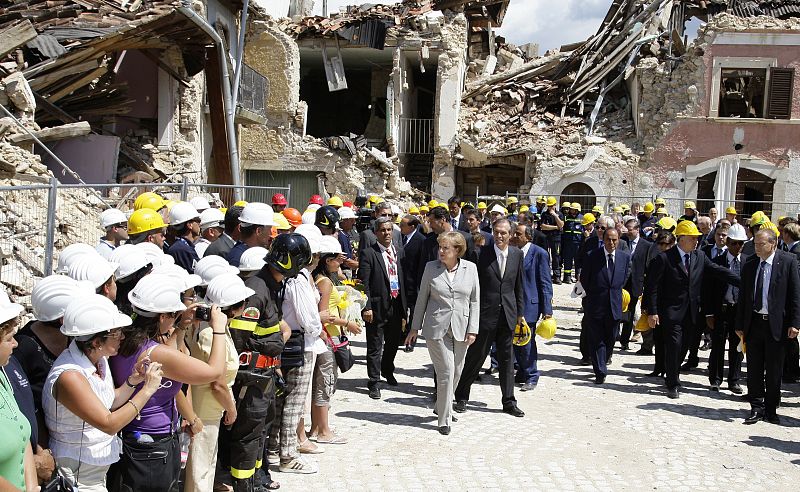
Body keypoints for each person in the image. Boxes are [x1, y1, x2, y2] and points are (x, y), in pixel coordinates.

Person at [109, 273, 228, 492]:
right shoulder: (156, 352)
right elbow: (214, 371)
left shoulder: (126, 339)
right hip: (154, 447)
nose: (175, 319)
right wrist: (219, 328)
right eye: (174, 314)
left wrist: (181, 326)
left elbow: (170, 365)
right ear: (162, 316)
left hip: (136, 440)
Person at [43, 294, 163, 491]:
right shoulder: (70, 376)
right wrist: (147, 390)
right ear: (97, 341)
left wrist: (134, 380)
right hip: (77, 473)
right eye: (117, 333)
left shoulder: (99, 360)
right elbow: (109, 424)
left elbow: (109, 402)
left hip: (92, 471)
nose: (122, 337)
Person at [223, 234, 297, 490]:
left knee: (259, 431)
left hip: (264, 374)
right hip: (251, 377)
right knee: (248, 434)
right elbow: (237, 339)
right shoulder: (258, 290)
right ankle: (244, 485)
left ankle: (255, 480)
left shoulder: (270, 286)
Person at [643, 221, 739, 399]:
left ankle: (672, 371)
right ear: (682, 239)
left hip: (692, 312)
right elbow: (652, 287)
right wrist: (652, 311)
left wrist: (743, 282)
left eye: (697, 238)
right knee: (674, 345)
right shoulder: (665, 258)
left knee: (684, 346)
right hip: (671, 312)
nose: (696, 241)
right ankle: (672, 383)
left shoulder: (699, 256)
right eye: (693, 238)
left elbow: (717, 270)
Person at [405, 232, 478, 435]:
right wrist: (414, 327)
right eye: (440, 247)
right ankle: (444, 419)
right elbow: (422, 298)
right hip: (436, 327)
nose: (441, 251)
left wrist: (473, 329)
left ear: (457, 250)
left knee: (457, 370)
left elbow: (474, 300)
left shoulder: (471, 268)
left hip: (461, 326)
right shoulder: (431, 268)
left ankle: (440, 405)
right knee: (446, 370)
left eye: (446, 248)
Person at [184, 274, 250, 492]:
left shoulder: (214, 327)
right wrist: (231, 408)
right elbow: (217, 382)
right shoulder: (212, 333)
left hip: (209, 406)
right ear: (236, 307)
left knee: (204, 465)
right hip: (206, 408)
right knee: (200, 470)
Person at [454, 219, 525, 417]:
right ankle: (462, 396)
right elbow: (472, 287)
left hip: (507, 315)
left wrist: (520, 314)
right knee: (476, 357)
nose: (499, 236)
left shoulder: (517, 255)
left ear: (510, 235)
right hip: (485, 315)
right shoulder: (480, 254)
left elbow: (519, 285)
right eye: (496, 232)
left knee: (507, 360)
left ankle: (509, 401)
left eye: (503, 233)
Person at [736, 229, 800, 425]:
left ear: (773, 244)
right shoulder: (750, 263)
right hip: (754, 323)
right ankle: (756, 407)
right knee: (754, 369)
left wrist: (795, 323)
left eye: (761, 244)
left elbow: (795, 295)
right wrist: (740, 323)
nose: (756, 247)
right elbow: (743, 296)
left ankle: (771, 409)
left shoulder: (787, 262)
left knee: (774, 370)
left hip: (777, 325)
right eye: (755, 244)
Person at [311, 236, 361, 443]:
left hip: (327, 336)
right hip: (329, 337)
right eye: (338, 258)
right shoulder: (325, 283)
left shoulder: (320, 279)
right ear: (328, 260)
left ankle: (317, 428)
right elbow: (324, 315)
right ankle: (323, 431)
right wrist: (347, 323)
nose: (341, 261)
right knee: (325, 383)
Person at [359, 217, 407, 399]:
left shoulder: (399, 252)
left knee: (393, 343)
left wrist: (406, 307)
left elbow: (404, 278)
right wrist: (367, 307)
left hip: (396, 305)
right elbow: (364, 283)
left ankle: (387, 370)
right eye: (382, 230)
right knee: (375, 345)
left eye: (389, 230)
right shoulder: (368, 253)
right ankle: (374, 381)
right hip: (377, 306)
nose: (387, 233)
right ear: (376, 233)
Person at [703, 223, 749, 393]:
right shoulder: (716, 262)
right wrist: (708, 313)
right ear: (728, 242)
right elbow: (707, 289)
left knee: (737, 346)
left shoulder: (749, 263)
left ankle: (734, 380)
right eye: (734, 243)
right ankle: (715, 379)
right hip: (720, 310)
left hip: (739, 311)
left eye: (741, 243)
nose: (738, 247)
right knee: (718, 345)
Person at [0, 288, 38, 492]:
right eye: (9, 339)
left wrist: (31, 488)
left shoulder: (2, 375)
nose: (15, 344)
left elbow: (23, 439)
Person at [581, 228, 630, 384]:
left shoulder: (624, 257)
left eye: (614, 240)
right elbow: (585, 280)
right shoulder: (592, 256)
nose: (611, 243)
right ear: (603, 239)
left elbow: (624, 278)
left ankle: (604, 359)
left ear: (619, 240)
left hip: (614, 306)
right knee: (597, 340)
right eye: (608, 239)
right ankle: (600, 371)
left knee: (610, 339)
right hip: (595, 305)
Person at [511, 224, 553, 391]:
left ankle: (532, 375)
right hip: (513, 304)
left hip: (530, 304)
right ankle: (522, 371)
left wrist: (547, 309)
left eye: (518, 234)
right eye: (514, 233)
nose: (515, 236)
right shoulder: (513, 252)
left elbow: (545, 282)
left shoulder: (539, 253)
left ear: (528, 236)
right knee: (516, 340)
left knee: (527, 341)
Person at [620, 218, 650, 351]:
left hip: (635, 283)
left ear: (637, 230)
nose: (627, 231)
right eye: (626, 229)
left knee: (630, 312)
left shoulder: (646, 245)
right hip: (621, 281)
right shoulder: (622, 241)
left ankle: (624, 340)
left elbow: (647, 266)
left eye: (630, 229)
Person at [228, 203, 276, 267]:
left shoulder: (241, 254)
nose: (270, 233)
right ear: (258, 231)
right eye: (269, 229)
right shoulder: (237, 259)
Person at [782, 222, 800, 384]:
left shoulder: (796, 252)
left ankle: (792, 370)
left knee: (791, 336)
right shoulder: (790, 249)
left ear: (787, 234)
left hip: (794, 299)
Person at [540, 197, 564, 284]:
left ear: (555, 205)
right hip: (546, 237)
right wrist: (555, 227)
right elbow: (543, 226)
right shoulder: (544, 214)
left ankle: (556, 276)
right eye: (549, 206)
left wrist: (555, 215)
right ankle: (546, 274)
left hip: (556, 238)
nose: (550, 208)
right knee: (545, 255)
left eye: (551, 206)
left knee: (556, 257)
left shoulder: (559, 214)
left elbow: (561, 225)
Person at [561, 203, 584, 284]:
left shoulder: (582, 218)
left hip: (578, 243)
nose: (571, 210)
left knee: (578, 261)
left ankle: (578, 277)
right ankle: (567, 277)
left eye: (573, 209)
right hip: (568, 242)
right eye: (571, 209)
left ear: (577, 210)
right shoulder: (566, 218)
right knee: (567, 260)